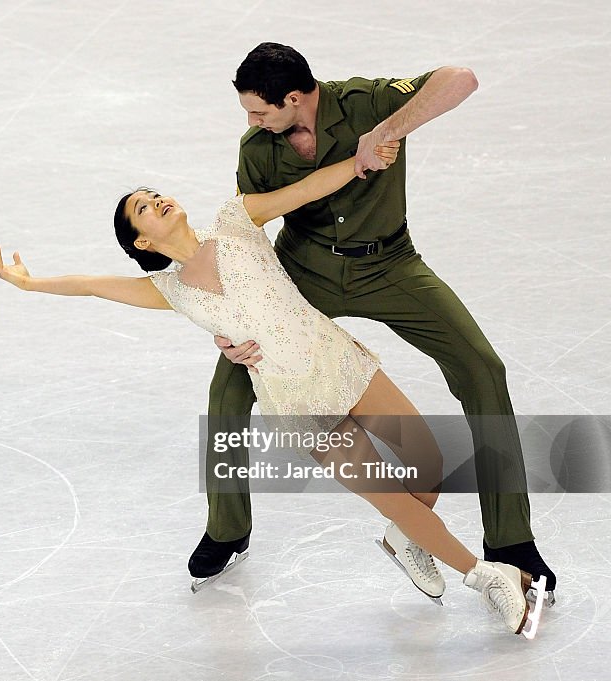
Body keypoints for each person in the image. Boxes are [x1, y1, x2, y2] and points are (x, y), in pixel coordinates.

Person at [0, 147, 544, 636]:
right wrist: (28, 282)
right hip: (297, 401)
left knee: (428, 462)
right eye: (144, 208)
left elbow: (306, 188)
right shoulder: (169, 290)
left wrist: (362, 157)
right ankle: (483, 577)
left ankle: (409, 537)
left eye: (155, 193)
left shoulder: (235, 220)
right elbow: (93, 287)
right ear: (143, 238)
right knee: (388, 493)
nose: (158, 201)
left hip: (339, 361)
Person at [195, 42, 556, 604]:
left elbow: (459, 78)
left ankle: (510, 543)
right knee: (228, 388)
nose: (252, 122)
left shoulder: (364, 101)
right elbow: (246, 241)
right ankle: (227, 528)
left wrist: (389, 127)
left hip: (390, 264)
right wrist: (236, 320)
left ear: (294, 97)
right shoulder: (257, 149)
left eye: (260, 111)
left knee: (483, 368)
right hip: (302, 273)